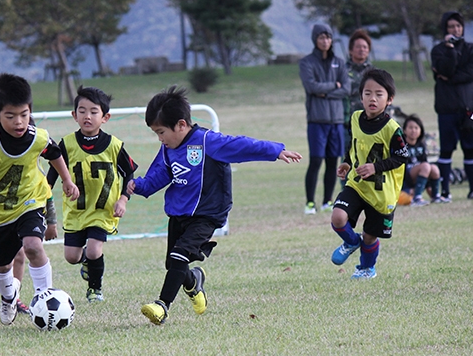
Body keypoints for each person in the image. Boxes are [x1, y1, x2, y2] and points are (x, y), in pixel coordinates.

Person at [126, 85, 302, 325]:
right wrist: (138, 186)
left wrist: (276, 151)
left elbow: (243, 145)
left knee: (178, 257)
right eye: (156, 133)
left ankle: (162, 306)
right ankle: (194, 282)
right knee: (174, 264)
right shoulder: (168, 149)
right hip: (179, 214)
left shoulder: (208, 142)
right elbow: (158, 176)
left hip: (207, 214)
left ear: (181, 125)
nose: (160, 138)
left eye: (161, 132)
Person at [0, 73, 79, 326]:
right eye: (10, 116)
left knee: (32, 245)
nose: (19, 122)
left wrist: (66, 180)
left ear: (30, 110)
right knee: (2, 265)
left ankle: (45, 297)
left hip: (31, 202)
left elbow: (54, 153)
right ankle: (9, 297)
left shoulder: (38, 136)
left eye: (24, 114)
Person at [47, 86, 137, 303]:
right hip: (76, 211)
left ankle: (94, 289)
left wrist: (123, 199)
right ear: (74, 115)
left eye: (94, 112)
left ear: (105, 117)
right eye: (82, 110)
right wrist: (44, 205)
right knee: (71, 257)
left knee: (95, 250)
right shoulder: (66, 145)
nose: (87, 116)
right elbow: (51, 177)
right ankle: (86, 259)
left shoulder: (115, 146)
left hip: (102, 211)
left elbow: (130, 175)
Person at [330, 68, 409, 279]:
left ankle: (366, 269)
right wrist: (347, 163)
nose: (372, 98)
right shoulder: (355, 118)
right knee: (338, 217)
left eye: (379, 94)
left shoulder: (392, 129)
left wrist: (376, 167)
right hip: (357, 184)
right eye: (367, 93)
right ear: (361, 96)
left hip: (381, 192)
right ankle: (350, 241)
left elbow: (402, 157)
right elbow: (355, 146)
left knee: (370, 237)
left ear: (389, 99)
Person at [299, 23, 350, 214]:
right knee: (316, 160)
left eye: (328, 37)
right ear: (315, 39)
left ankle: (327, 201)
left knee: (332, 161)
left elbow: (346, 88)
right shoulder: (307, 63)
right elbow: (311, 87)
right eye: (321, 37)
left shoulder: (339, 61)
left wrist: (326, 92)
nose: (325, 41)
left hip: (336, 120)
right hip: (317, 121)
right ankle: (310, 202)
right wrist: (333, 86)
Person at [431, 11, 473, 201]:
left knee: (470, 148)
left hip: (469, 108)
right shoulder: (438, 50)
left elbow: (470, 73)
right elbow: (445, 68)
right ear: (445, 30)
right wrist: (450, 49)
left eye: (458, 25)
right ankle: (445, 191)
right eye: (451, 26)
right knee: (446, 149)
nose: (455, 29)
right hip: (446, 108)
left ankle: (472, 189)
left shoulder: (471, 49)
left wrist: (449, 78)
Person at [401, 114, 442, 206]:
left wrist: (428, 187)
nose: (413, 130)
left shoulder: (421, 144)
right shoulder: (401, 145)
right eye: (410, 128)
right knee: (426, 166)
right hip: (406, 177)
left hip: (420, 173)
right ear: (404, 130)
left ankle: (435, 196)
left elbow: (425, 164)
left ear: (420, 130)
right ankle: (417, 198)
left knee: (434, 168)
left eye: (416, 128)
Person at [344, 29, 373, 137]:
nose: (362, 50)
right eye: (358, 47)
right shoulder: (341, 71)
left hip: (369, 123)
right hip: (347, 124)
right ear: (351, 50)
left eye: (365, 47)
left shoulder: (374, 73)